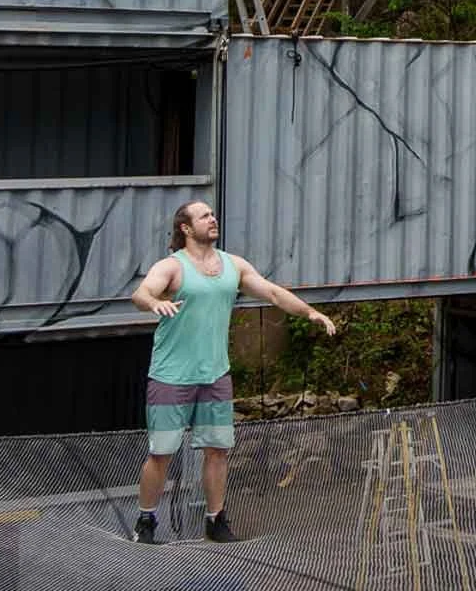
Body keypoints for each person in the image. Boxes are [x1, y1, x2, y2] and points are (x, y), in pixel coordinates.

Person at [127, 200, 338, 544]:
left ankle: (216, 520)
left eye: (213, 214)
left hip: (215, 376)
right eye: (204, 216)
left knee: (218, 450)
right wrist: (154, 302)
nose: (212, 219)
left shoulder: (233, 265)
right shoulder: (172, 267)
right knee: (161, 452)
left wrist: (309, 312)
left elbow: (271, 292)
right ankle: (146, 521)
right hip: (170, 377)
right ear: (185, 227)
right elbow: (141, 292)